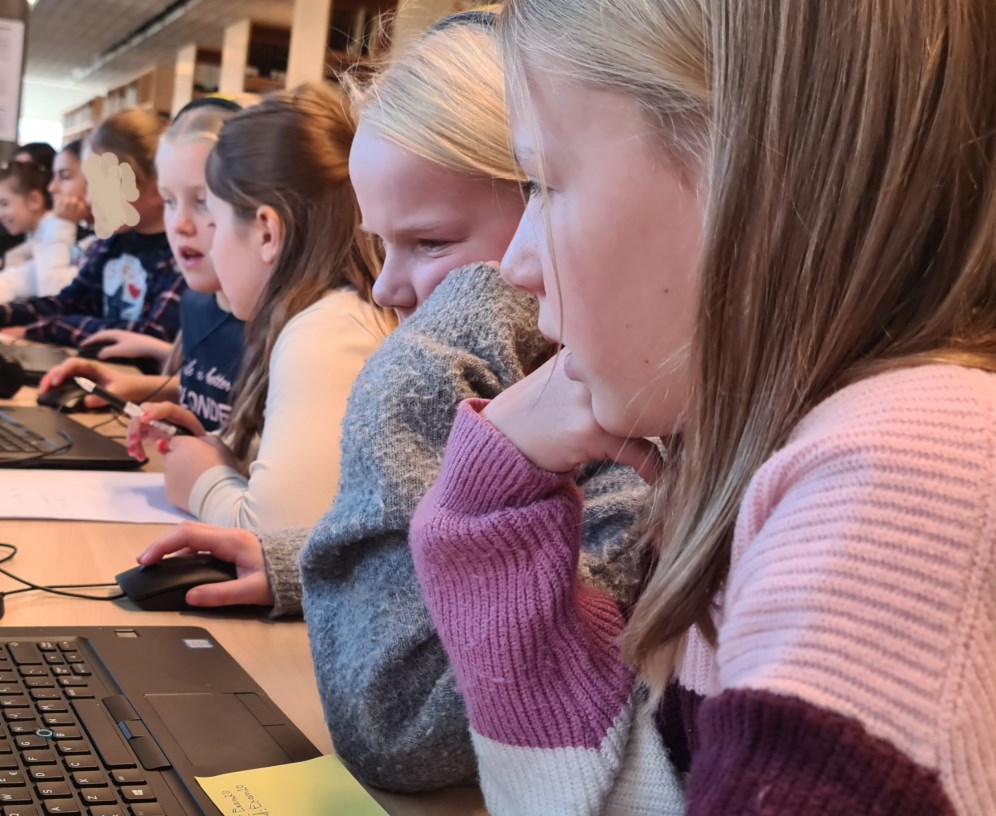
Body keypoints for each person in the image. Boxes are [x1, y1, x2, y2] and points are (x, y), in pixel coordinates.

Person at [410, 0, 996, 812]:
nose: (517, 264)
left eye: (543, 182)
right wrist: (486, 520)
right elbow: (625, 799)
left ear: (761, 178)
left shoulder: (907, 475)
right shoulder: (776, 458)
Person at [134, 11, 647, 792]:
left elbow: (398, 721)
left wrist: (419, 364)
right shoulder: (553, 408)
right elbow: (479, 568)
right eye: (381, 244)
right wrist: (308, 562)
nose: (383, 289)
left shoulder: (637, 447)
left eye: (431, 243)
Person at [131, 84, 390, 531]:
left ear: (267, 233)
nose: (211, 245)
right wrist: (219, 450)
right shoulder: (322, 315)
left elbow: (276, 539)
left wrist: (202, 483)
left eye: (214, 218)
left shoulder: (327, 331)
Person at [36, 98, 247, 435]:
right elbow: (209, 393)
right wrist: (135, 386)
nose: (179, 224)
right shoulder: (198, 303)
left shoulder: (281, 327)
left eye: (203, 201)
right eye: (170, 201)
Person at [0, 110, 184, 348]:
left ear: (158, 187)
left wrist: (48, 329)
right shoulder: (111, 243)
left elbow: (151, 335)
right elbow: (67, 303)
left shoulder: (179, 255)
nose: (89, 199)